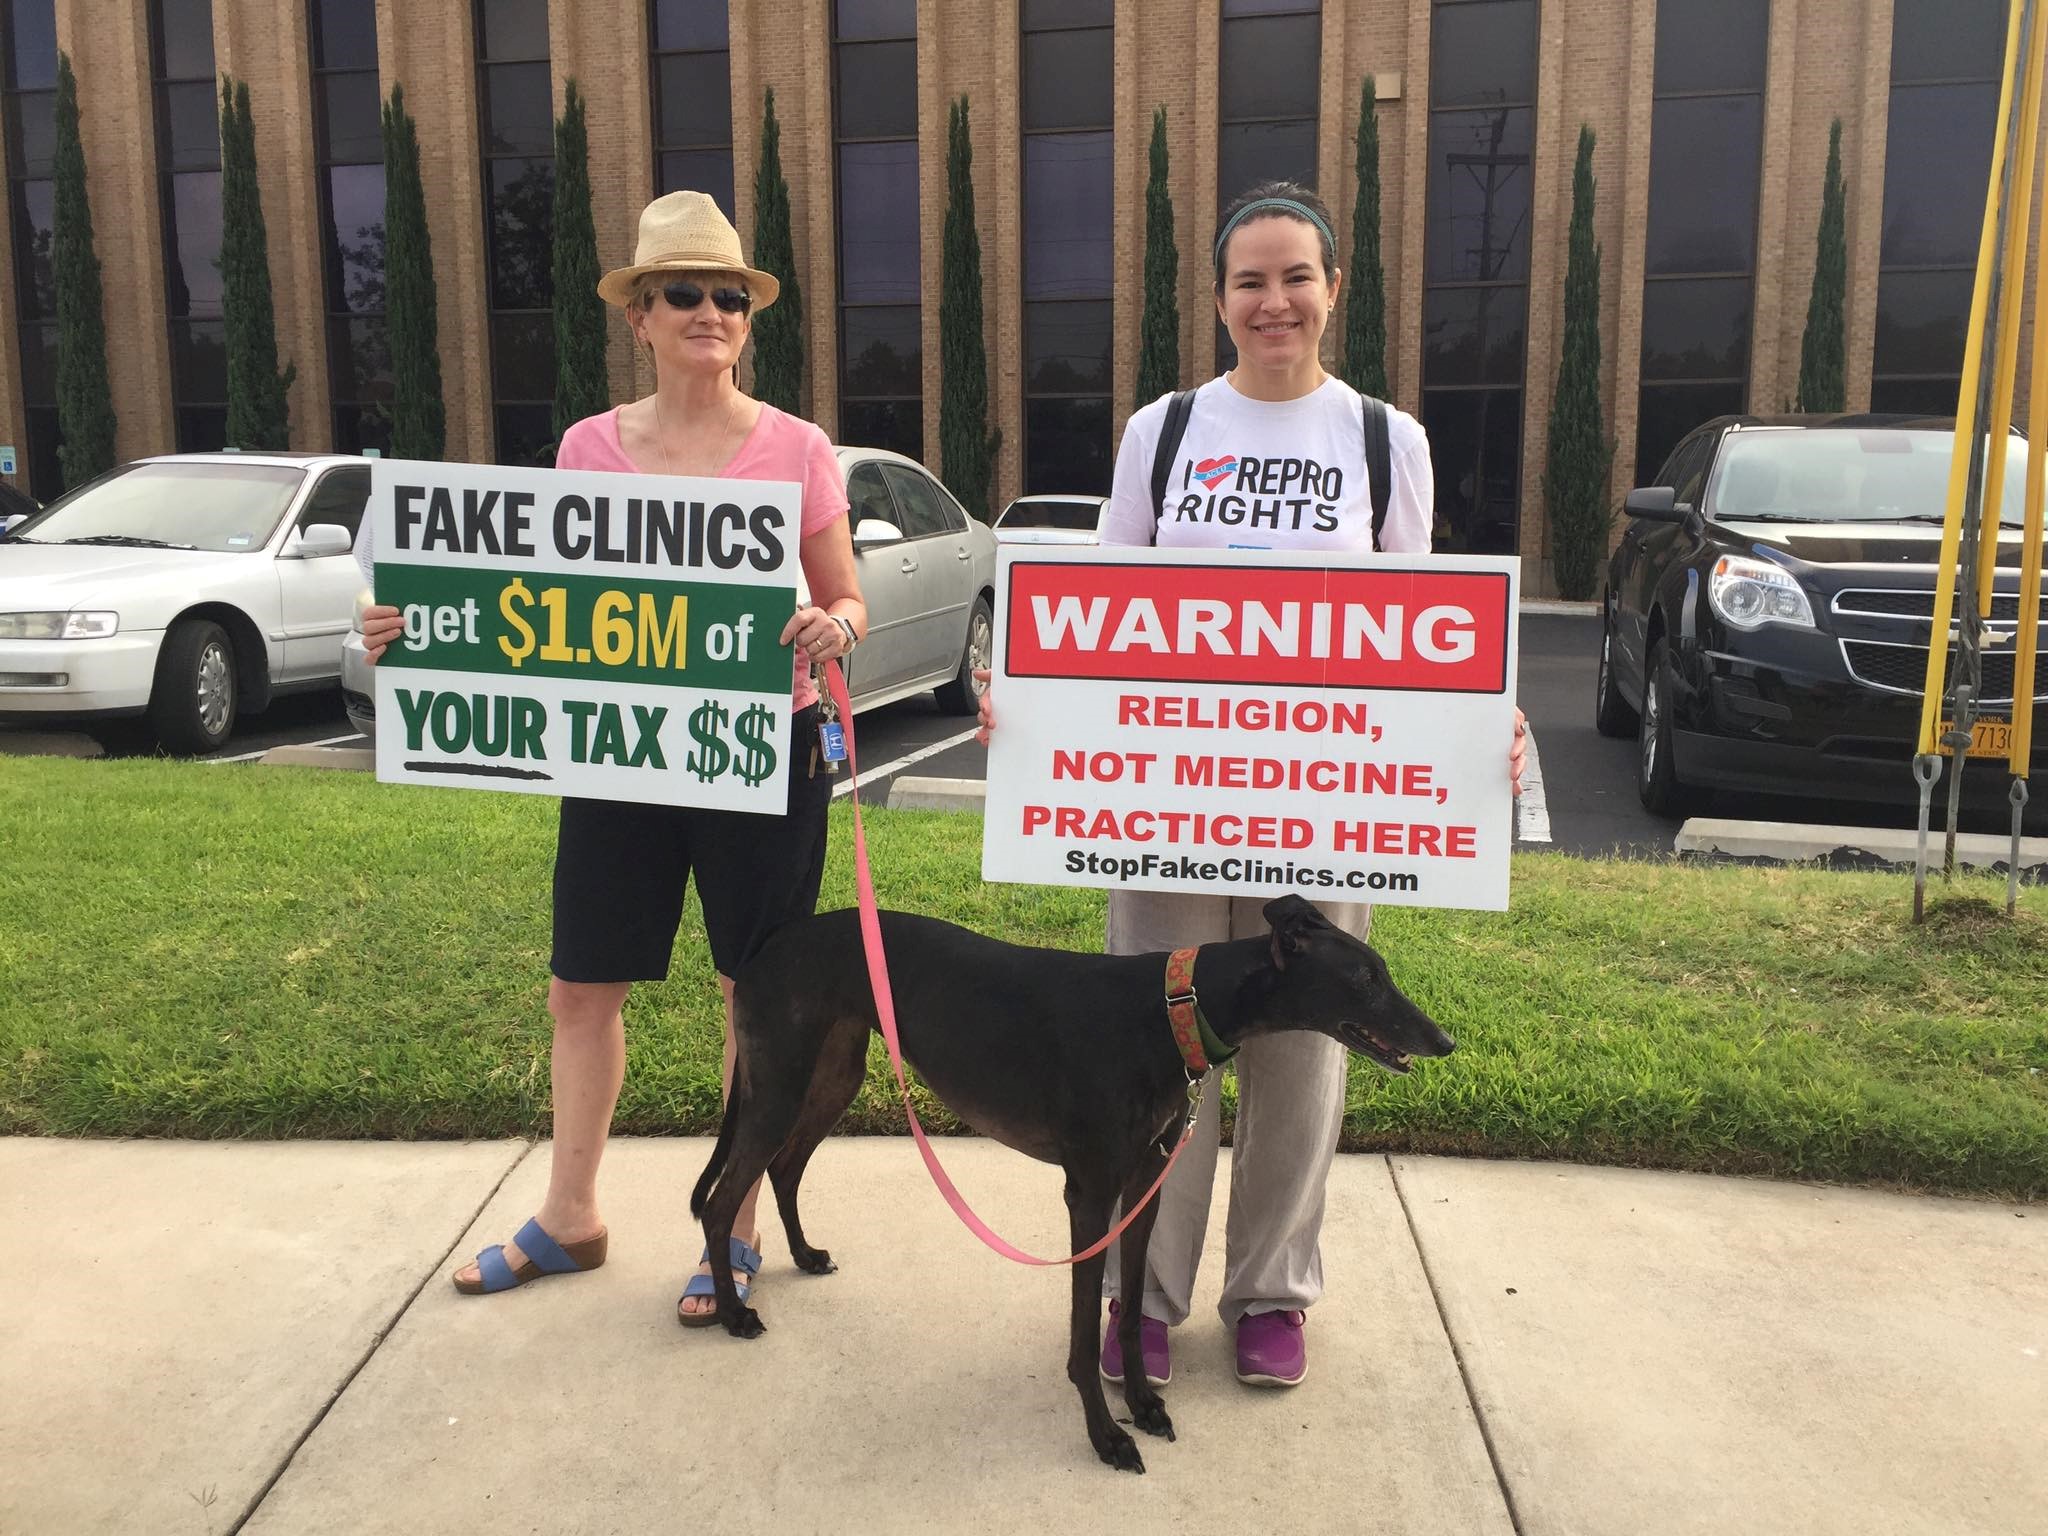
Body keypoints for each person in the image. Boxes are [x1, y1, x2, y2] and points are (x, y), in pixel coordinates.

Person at [978, 181, 1527, 1390]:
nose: (1271, 301)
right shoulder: (1163, 431)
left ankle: (1271, 1292)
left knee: (1303, 1055)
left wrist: (1482, 726)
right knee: (1154, 1049)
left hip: (1322, 807)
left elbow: (1421, 634)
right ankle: (1142, 1294)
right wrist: (1026, 708)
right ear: (1218, 296)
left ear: (1332, 288)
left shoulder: (1384, 439)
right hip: (1166, 803)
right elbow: (1099, 621)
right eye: (1248, 281)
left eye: (1294, 277)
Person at [360, 190, 866, 1322]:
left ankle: (732, 1227)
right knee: (580, 987)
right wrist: (412, 625)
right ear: (639, 315)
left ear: (747, 317)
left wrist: (834, 626)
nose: (708, 310)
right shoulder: (586, 448)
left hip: (759, 747)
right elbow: (532, 605)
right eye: (682, 292)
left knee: (753, 992)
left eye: (728, 295)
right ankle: (570, 1216)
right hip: (620, 756)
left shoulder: (797, 447)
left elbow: (846, 595)